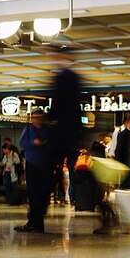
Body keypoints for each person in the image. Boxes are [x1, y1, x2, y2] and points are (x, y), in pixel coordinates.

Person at [47, 50, 83, 206]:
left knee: (50, 169)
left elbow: (58, 106)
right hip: (73, 132)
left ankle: (38, 212)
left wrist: (48, 116)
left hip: (63, 132)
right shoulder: (75, 77)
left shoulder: (62, 78)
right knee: (70, 170)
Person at [14, 109, 52, 233]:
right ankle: (34, 222)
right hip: (32, 164)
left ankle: (36, 222)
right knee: (33, 193)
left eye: (39, 117)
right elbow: (22, 143)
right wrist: (33, 142)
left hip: (45, 164)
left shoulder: (48, 130)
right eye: (34, 117)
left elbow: (53, 144)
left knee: (42, 193)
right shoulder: (29, 129)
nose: (37, 119)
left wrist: (45, 143)